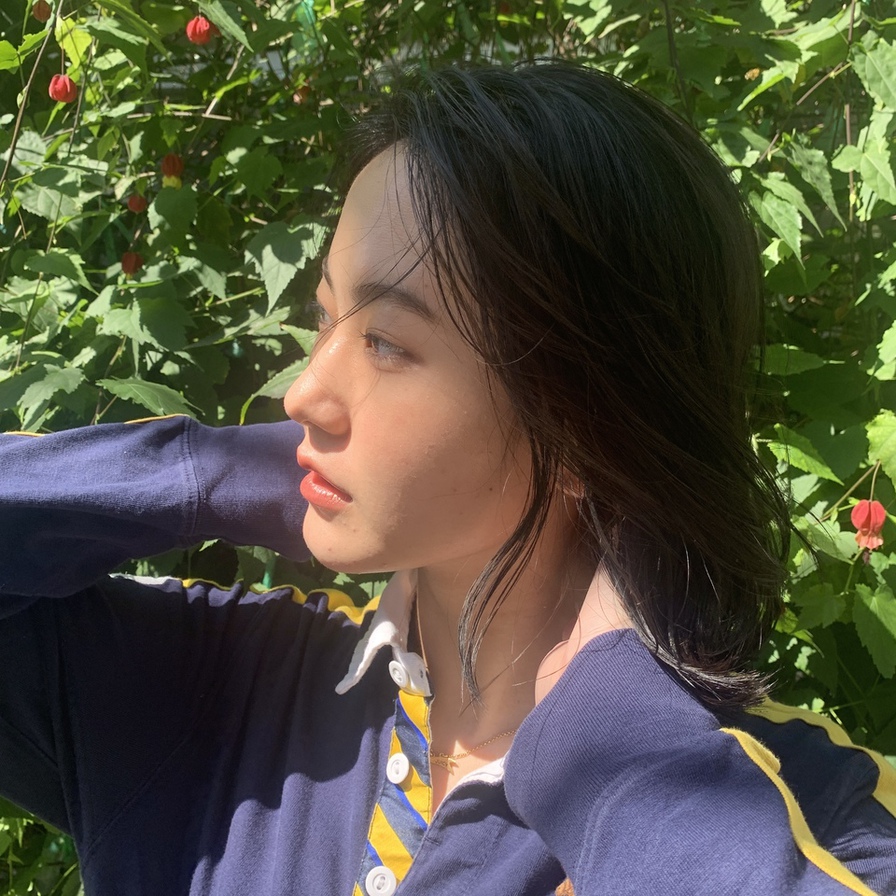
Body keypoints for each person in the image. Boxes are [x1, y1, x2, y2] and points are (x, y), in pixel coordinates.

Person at [1, 63, 894, 896]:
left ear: (586, 427)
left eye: (387, 343)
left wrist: (615, 760)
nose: (301, 393)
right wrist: (215, 473)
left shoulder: (811, 810)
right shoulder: (209, 688)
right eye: (326, 316)